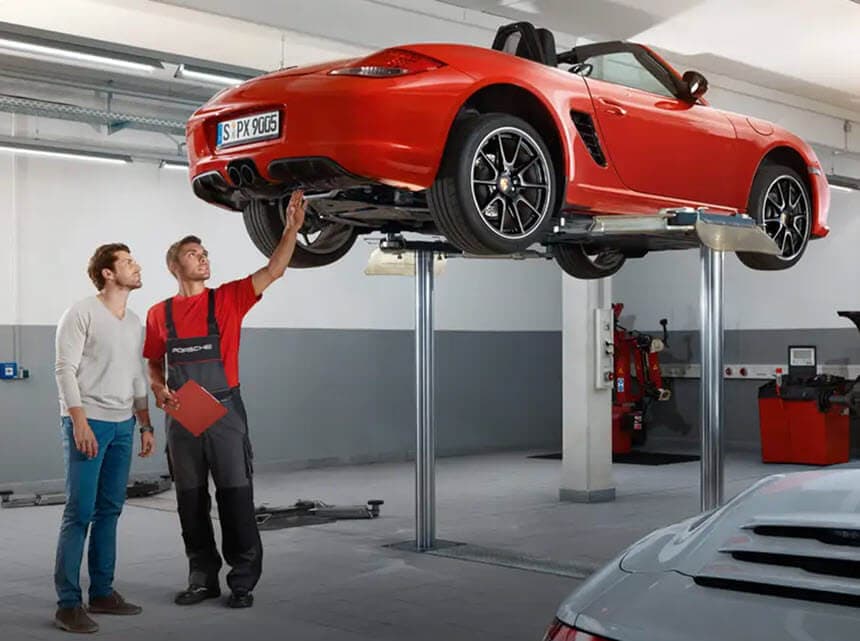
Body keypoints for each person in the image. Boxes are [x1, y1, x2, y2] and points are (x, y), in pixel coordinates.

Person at [144, 190, 306, 609]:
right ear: (175, 266)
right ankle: (202, 579)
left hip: (224, 411)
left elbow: (274, 269)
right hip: (183, 415)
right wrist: (158, 388)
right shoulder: (159, 314)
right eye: (193, 254)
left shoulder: (229, 298)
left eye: (204, 254)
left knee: (235, 498)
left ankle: (242, 582)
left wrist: (290, 230)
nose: (203, 258)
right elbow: (153, 362)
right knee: (190, 501)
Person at [53, 243, 155, 634]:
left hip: (123, 425)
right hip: (89, 422)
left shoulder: (134, 321)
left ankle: (102, 592)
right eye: (128, 262)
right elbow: (64, 369)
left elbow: (136, 375)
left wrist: (144, 423)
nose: (136, 265)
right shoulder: (81, 312)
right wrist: (78, 421)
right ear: (108, 273)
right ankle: (67, 604)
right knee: (79, 512)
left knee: (109, 510)